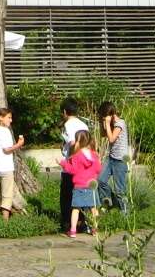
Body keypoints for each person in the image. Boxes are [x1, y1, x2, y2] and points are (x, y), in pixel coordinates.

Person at [57, 130, 101, 237]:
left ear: (78, 141)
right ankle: (95, 229)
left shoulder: (77, 155)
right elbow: (98, 169)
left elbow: (72, 170)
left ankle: (73, 231)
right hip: (91, 186)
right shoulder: (94, 155)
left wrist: (62, 163)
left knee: (75, 209)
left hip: (79, 186)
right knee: (93, 209)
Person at [0, 107, 25, 220]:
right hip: (5, 168)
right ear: (1, 118)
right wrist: (19, 144)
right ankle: (4, 221)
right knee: (7, 195)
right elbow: (6, 150)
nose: (11, 120)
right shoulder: (5, 131)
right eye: (9, 117)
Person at [59, 97, 90, 233]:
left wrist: (71, 159)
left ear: (65, 112)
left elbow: (72, 143)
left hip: (71, 167)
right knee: (81, 194)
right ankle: (82, 221)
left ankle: (68, 223)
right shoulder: (84, 125)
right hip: (84, 166)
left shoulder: (68, 125)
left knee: (67, 195)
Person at [96, 101, 129, 214]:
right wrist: (103, 124)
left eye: (104, 115)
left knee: (120, 189)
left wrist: (108, 123)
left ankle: (125, 213)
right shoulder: (111, 124)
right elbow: (103, 135)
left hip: (120, 160)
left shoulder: (120, 123)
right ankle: (109, 201)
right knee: (100, 180)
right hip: (111, 158)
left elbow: (111, 139)